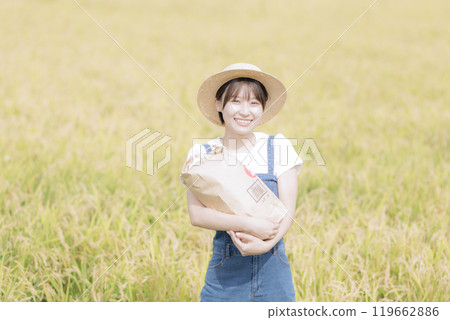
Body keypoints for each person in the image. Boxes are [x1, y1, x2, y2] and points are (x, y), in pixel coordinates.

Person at [181, 63, 303, 302]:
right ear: (219, 104)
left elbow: (288, 210)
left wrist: (266, 245)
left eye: (254, 103)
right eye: (236, 101)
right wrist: (250, 225)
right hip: (225, 277)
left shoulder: (278, 147)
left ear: (263, 108)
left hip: (274, 270)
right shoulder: (202, 155)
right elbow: (197, 216)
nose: (245, 111)